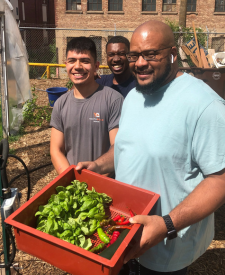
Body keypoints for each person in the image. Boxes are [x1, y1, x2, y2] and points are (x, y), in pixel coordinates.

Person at [75, 20, 225, 275]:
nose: (140, 63)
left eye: (151, 54)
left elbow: (219, 179)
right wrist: (99, 165)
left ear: (173, 54)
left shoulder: (204, 105)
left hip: (166, 244)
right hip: (123, 230)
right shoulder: (134, 96)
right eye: (135, 55)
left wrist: (167, 224)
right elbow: (128, 147)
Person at [50, 37, 124, 175]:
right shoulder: (61, 103)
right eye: (72, 61)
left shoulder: (113, 100)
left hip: (106, 184)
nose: (77, 66)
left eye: (85, 61)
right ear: (66, 64)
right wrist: (71, 180)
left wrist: (96, 170)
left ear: (96, 66)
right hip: (73, 186)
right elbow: (56, 150)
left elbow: (118, 147)